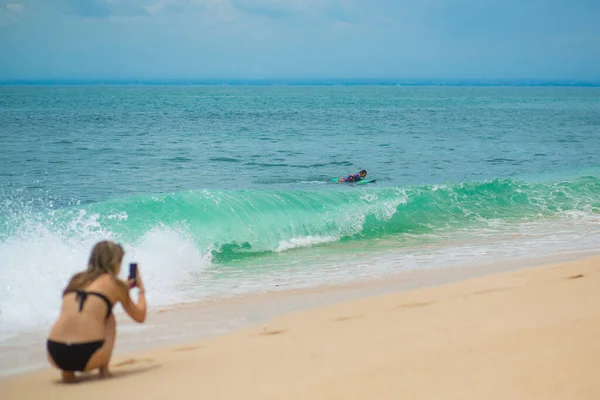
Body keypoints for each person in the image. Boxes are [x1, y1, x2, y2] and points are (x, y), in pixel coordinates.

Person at [46, 240, 147, 383]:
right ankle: (103, 369)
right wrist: (141, 290)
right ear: (114, 262)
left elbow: (90, 302)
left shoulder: (76, 280)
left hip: (55, 353)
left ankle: (67, 372)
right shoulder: (115, 284)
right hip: (86, 355)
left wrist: (119, 291)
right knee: (108, 315)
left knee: (84, 311)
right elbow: (140, 316)